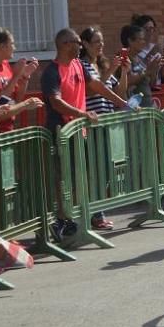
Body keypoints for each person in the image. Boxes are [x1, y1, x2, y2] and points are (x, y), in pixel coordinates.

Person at [41, 29, 101, 242]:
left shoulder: (78, 65)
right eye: (77, 42)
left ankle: (75, 217)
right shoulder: (51, 71)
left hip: (78, 130)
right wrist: (81, 114)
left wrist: (123, 104)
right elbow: (55, 102)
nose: (81, 46)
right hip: (61, 131)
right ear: (66, 44)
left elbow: (96, 86)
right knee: (62, 178)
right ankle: (60, 219)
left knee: (79, 176)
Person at [79, 26, 132, 232]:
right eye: (95, 42)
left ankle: (99, 210)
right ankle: (95, 214)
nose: (100, 46)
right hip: (94, 124)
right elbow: (93, 90)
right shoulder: (83, 65)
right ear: (85, 44)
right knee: (96, 169)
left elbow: (119, 91)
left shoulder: (102, 64)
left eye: (101, 42)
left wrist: (124, 71)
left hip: (110, 123)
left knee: (108, 169)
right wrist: (110, 70)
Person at [0, 27, 39, 132]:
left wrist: (25, 77)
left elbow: (17, 99)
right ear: (2, 46)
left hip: (9, 127)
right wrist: (16, 76)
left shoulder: (5, 65)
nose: (14, 48)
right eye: (12, 44)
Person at [119, 25, 163, 106]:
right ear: (130, 41)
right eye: (141, 39)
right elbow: (126, 81)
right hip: (135, 110)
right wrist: (147, 71)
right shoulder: (123, 59)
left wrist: (154, 69)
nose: (144, 42)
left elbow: (151, 84)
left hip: (148, 105)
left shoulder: (141, 59)